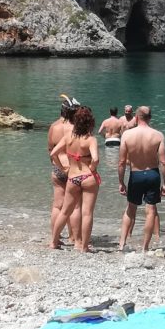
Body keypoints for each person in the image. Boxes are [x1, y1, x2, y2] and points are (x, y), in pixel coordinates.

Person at [117, 106, 165, 252]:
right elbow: (164, 162)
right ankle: (145, 247)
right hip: (153, 174)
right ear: (150, 118)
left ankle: (122, 243)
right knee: (151, 211)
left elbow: (121, 162)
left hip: (136, 174)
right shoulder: (158, 135)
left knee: (130, 209)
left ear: (137, 117)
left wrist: (121, 181)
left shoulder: (127, 135)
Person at [51, 106, 101, 253]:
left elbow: (53, 153)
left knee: (65, 211)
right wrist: (91, 168)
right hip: (88, 177)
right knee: (87, 213)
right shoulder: (91, 139)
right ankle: (84, 247)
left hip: (72, 178)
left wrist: (63, 168)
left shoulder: (68, 138)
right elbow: (96, 159)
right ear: (90, 123)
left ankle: (54, 242)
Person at [48, 95, 79, 249]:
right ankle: (74, 237)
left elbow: (50, 149)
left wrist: (58, 166)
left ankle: (56, 237)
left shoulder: (54, 126)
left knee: (58, 205)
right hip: (74, 168)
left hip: (57, 167)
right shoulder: (76, 128)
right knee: (75, 206)